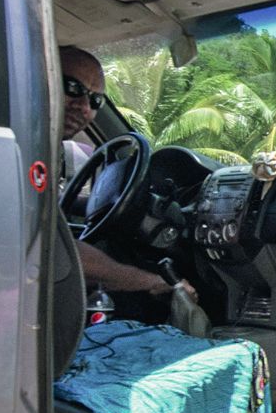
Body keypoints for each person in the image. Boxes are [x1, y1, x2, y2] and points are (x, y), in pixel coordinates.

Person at [58, 45, 186, 301]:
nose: (85, 107)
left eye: (96, 100)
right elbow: (52, 250)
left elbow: (52, 234)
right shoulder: (13, 147)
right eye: (73, 88)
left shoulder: (43, 150)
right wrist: (149, 281)